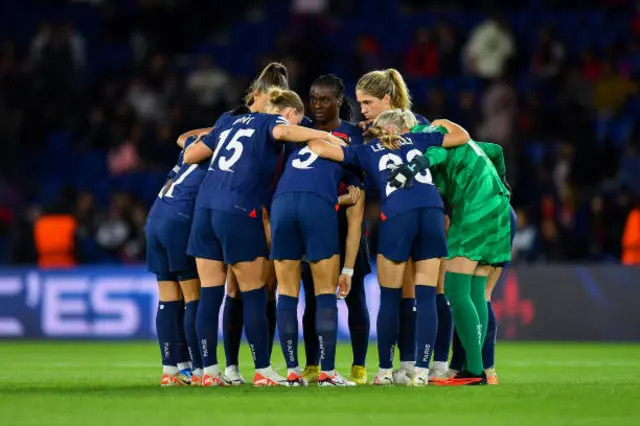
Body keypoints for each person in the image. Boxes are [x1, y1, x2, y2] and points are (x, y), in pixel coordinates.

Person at [183, 88, 344, 387]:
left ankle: (209, 372)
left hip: (203, 209)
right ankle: (263, 371)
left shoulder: (227, 124)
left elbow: (191, 154)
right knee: (255, 292)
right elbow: (283, 130)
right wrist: (328, 139)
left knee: (209, 294)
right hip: (238, 209)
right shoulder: (269, 122)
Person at [307, 109, 469, 385]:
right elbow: (461, 137)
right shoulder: (419, 141)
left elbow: (318, 148)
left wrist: (332, 139)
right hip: (432, 212)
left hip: (399, 214)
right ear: (398, 129)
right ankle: (420, 371)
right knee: (428, 296)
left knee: (391, 297)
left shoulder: (366, 150)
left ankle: (384, 372)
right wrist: (444, 120)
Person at [387, 134, 512, 386]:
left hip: (475, 211)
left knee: (455, 290)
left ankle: (474, 371)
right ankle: (480, 368)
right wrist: (503, 181)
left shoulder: (426, 138)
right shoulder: (466, 144)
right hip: (500, 208)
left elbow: (436, 153)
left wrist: (412, 167)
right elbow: (496, 149)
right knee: (478, 292)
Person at [355, 69, 453, 382]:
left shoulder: (417, 124)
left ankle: (436, 361)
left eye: (368, 102)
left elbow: (442, 160)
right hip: (419, 211)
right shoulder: (369, 132)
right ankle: (411, 363)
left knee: (431, 289)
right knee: (410, 291)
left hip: (423, 209)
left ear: (387, 99)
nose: (363, 109)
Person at [220, 62, 290, 385]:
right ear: (257, 95)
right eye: (272, 101)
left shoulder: (279, 124)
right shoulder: (236, 120)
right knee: (236, 286)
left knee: (269, 288)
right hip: (244, 210)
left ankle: (264, 362)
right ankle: (232, 366)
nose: (276, 109)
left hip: (270, 209)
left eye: (281, 102)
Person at [299, 74, 371, 385]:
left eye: (324, 99)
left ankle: (359, 365)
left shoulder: (355, 134)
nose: (316, 105)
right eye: (313, 98)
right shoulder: (300, 132)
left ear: (340, 101)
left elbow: (360, 189)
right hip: (314, 222)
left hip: (347, 224)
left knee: (354, 297)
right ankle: (312, 364)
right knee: (313, 298)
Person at [145, 127, 210, 386]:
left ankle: (170, 370)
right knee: (193, 298)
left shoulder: (189, 152)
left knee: (168, 299)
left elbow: (181, 137)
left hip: (154, 219)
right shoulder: (220, 157)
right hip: (180, 221)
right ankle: (197, 370)